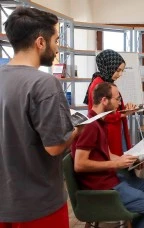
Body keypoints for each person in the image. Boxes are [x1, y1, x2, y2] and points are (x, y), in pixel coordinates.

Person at [0, 7, 82, 228]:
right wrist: (76, 129)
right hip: (37, 205)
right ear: (40, 42)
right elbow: (55, 146)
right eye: (55, 40)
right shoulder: (44, 84)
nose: (56, 48)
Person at [72, 82, 144, 228]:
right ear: (104, 100)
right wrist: (116, 164)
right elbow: (79, 165)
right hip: (106, 189)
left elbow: (108, 154)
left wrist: (131, 160)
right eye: (117, 99)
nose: (120, 103)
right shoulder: (90, 126)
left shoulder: (100, 121)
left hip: (113, 179)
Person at [83, 49, 136, 156]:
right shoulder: (98, 85)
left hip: (113, 130)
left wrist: (125, 108)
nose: (120, 74)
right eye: (118, 70)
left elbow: (110, 107)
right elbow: (99, 114)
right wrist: (122, 113)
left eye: (122, 71)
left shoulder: (105, 82)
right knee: (113, 164)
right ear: (108, 66)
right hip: (107, 132)